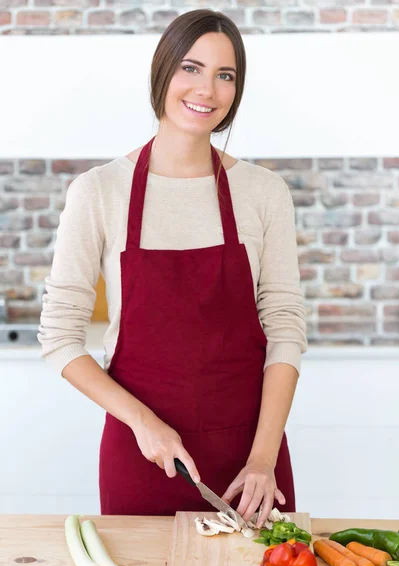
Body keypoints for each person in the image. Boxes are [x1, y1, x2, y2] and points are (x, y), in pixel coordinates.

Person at [38, 9, 307, 528]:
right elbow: (59, 338)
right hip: (143, 455)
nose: (206, 88)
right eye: (191, 67)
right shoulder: (99, 192)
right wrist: (144, 423)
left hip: (250, 461)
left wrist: (262, 458)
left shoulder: (264, 193)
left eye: (224, 75)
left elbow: (285, 329)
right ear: (162, 72)